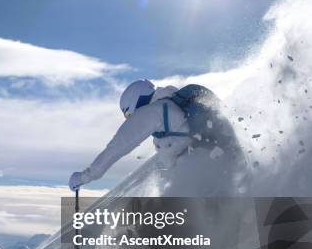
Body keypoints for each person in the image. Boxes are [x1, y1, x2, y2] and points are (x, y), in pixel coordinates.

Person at [69, 79, 243, 192]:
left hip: (207, 175)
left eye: (129, 115)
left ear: (136, 104)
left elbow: (120, 145)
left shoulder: (154, 111)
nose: (132, 120)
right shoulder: (170, 111)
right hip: (218, 166)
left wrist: (86, 175)